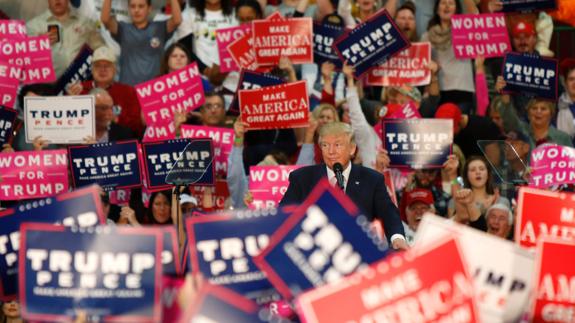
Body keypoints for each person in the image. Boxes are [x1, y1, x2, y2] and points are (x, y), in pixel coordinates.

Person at [280, 122, 407, 249]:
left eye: (337, 145)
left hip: (359, 255)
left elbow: (388, 213)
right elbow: (282, 216)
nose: (331, 152)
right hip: (314, 255)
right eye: (325, 145)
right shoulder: (302, 178)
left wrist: (397, 238)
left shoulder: (372, 179)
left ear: (352, 149)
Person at [67, 46, 145, 136]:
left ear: (115, 69)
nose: (102, 70)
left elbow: (138, 126)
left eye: (107, 66)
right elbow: (67, 124)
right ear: (91, 69)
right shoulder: (78, 90)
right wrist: (70, 101)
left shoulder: (128, 92)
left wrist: (116, 119)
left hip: (118, 144)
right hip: (85, 140)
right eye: (98, 66)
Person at [101, 0, 182, 85]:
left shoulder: (159, 28)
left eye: (141, 6)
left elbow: (177, 20)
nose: (136, 10)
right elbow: (105, 19)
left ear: (149, 9)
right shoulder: (123, 29)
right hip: (128, 89)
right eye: (132, 6)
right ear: (128, 9)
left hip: (154, 90)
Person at [27, 0, 105, 78]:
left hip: (82, 84)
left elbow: (102, 52)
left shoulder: (86, 23)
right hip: (47, 87)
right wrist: (36, 44)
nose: (57, 1)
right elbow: (23, 63)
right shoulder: (33, 26)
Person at [450, 156, 510, 231]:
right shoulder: (456, 201)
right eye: (472, 170)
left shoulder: (501, 201)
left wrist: (494, 207)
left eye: (482, 169)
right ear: (467, 176)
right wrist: (452, 175)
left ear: (488, 174)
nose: (478, 172)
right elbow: (452, 227)